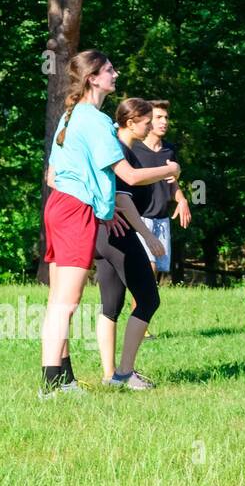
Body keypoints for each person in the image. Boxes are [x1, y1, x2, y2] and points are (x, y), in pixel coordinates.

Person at [39, 51, 179, 399]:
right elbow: (129, 175)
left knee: (59, 299)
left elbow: (52, 176)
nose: (115, 74)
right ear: (92, 78)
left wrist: (102, 206)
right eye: (109, 70)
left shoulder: (69, 116)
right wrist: (170, 170)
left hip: (60, 207)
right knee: (65, 303)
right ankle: (51, 384)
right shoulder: (96, 120)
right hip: (74, 212)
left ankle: (63, 378)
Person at [92, 97, 170, 388]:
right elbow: (124, 199)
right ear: (130, 122)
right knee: (149, 299)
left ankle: (109, 375)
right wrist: (148, 236)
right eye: (147, 122)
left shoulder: (116, 148)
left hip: (99, 235)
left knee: (110, 305)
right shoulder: (120, 152)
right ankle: (125, 373)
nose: (152, 127)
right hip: (119, 234)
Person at [134, 99, 192, 284]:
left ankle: (142, 311)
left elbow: (171, 181)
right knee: (146, 269)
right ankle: (140, 311)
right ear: (147, 120)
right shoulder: (133, 148)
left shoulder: (169, 150)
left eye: (166, 117)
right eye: (158, 117)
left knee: (154, 273)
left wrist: (181, 200)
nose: (164, 122)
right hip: (139, 218)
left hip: (161, 219)